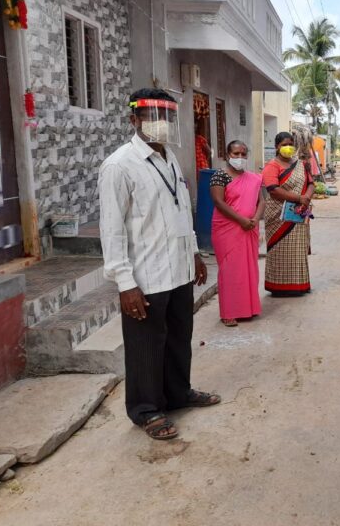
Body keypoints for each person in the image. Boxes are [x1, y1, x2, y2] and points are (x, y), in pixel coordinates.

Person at [99, 88, 220, 441]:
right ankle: (146, 409)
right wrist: (125, 283)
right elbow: (112, 230)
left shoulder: (169, 159)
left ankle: (178, 393)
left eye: (165, 116)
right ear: (133, 119)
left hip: (178, 269)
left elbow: (181, 212)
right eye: (151, 116)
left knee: (179, 337)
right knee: (146, 346)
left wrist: (195, 254)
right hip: (146, 276)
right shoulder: (119, 166)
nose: (160, 124)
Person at [210, 140, 265, 327]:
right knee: (230, 270)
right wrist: (241, 220)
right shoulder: (220, 176)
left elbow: (261, 202)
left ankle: (249, 308)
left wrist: (255, 219)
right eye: (235, 154)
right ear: (227, 155)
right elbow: (219, 202)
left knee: (248, 269)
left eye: (243, 154)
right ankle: (229, 312)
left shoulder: (254, 178)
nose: (240, 158)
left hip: (249, 228)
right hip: (227, 229)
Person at [262, 132, 315, 296]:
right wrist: (299, 197)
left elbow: (311, 183)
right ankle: (278, 286)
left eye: (291, 144)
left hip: (299, 213)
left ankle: (299, 284)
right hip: (278, 215)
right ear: (277, 146)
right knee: (279, 250)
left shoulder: (300, 164)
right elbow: (273, 190)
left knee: (297, 249)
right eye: (284, 144)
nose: (288, 147)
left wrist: (306, 197)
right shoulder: (272, 166)